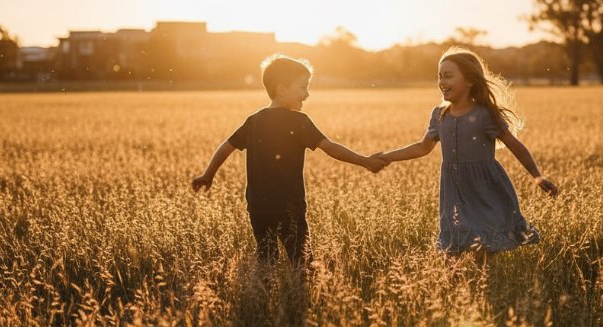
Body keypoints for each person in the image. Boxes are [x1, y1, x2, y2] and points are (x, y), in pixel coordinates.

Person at [192, 54, 387, 268]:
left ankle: (261, 295)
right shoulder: (299, 121)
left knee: (266, 256)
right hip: (289, 204)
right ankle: (301, 295)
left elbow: (225, 148)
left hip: (258, 205)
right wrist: (365, 161)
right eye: (303, 87)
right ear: (282, 89)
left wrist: (208, 174)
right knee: (301, 260)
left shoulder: (254, 121)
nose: (307, 94)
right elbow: (331, 148)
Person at [375, 47, 558, 256]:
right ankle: (455, 286)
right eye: (440, 76)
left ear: (470, 81)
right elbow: (422, 147)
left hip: (484, 189)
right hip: (453, 190)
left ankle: (484, 284)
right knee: (452, 246)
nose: (442, 82)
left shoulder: (485, 114)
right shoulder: (439, 115)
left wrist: (538, 176)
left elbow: (515, 145)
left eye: (449, 76)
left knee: (485, 245)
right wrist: (387, 157)